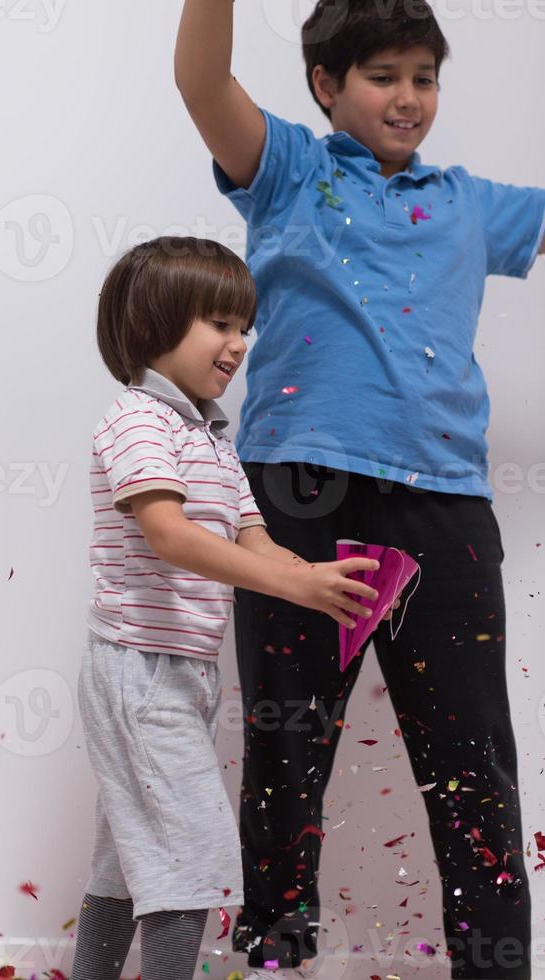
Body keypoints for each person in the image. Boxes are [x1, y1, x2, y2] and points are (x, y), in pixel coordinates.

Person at [174, 2, 545, 979]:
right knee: (285, 752)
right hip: (300, 500)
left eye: (425, 76)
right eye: (383, 75)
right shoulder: (291, 168)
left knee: (474, 766)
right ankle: (273, 955)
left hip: (444, 511)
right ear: (327, 85)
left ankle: (495, 967)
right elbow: (203, 86)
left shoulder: (468, 201)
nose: (409, 97)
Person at [70, 236, 395, 980]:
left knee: (127, 857)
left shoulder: (212, 437)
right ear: (155, 326)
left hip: (177, 676)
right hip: (137, 671)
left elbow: (254, 539)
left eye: (242, 325)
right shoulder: (138, 420)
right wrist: (293, 586)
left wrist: (322, 579)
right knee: (184, 850)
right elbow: (170, 535)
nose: (238, 342)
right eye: (218, 323)